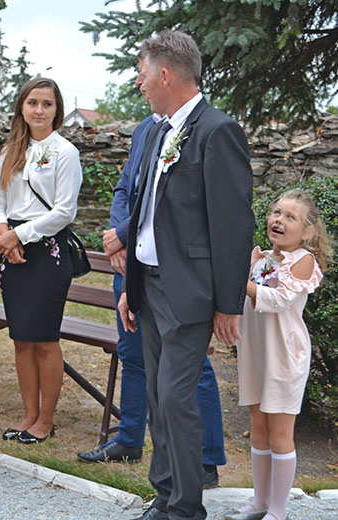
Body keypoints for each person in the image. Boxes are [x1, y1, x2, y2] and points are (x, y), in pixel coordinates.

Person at [117, 30, 254, 520]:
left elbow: (234, 225)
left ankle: (187, 509)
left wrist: (227, 304)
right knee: (158, 394)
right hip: (149, 285)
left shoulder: (218, 131)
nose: (139, 82)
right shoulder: (155, 131)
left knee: (177, 398)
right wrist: (131, 287)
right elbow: (144, 213)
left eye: (142, 72)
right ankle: (166, 494)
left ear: (165, 74)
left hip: (190, 291)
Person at [78, 114, 227, 490]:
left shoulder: (202, 129)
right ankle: (129, 439)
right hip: (131, 266)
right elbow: (125, 189)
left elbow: (172, 201)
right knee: (133, 355)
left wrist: (124, 235)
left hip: (170, 268)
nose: (138, 81)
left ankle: (205, 459)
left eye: (144, 73)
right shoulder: (146, 128)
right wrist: (117, 238)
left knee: (191, 368)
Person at [0, 78, 82, 445]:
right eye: (32, 103)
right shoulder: (10, 151)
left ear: (57, 110)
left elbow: (64, 211)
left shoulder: (64, 152)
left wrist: (19, 236)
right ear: (21, 108)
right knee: (21, 339)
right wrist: (3, 232)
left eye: (46, 104)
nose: (39, 110)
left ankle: (46, 419)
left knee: (43, 339)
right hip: (12, 251)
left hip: (47, 250)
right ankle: (27, 415)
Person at [226, 190, 330, 520]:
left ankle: (278, 511)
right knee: (258, 427)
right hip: (256, 351)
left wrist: (238, 281)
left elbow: (277, 300)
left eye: (290, 217)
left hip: (284, 355)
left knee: (280, 432)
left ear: (309, 230)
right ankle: (259, 502)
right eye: (276, 213)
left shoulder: (303, 261)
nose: (278, 220)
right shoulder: (264, 259)